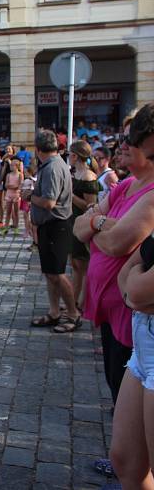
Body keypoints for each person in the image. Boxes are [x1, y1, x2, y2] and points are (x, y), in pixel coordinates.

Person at [106, 104, 154, 489]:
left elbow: (137, 288)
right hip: (144, 342)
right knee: (124, 458)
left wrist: (135, 277)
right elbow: (127, 271)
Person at [27, 130, 79, 333]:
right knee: (50, 273)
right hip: (50, 226)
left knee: (57, 273)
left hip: (57, 225)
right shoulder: (53, 165)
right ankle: (55, 311)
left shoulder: (52, 168)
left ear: (38, 150)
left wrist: (30, 196)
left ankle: (73, 314)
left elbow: (49, 202)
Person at [68, 140, 99, 310]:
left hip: (83, 223)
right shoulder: (75, 173)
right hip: (72, 221)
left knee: (83, 265)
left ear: (75, 156)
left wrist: (70, 195)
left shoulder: (88, 176)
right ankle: (74, 300)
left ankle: (82, 302)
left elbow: (90, 206)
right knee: (75, 264)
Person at [2, 159, 23, 235]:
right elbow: (6, 185)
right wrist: (13, 186)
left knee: (16, 213)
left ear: (17, 166)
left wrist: (12, 186)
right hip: (9, 194)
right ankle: (6, 228)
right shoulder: (8, 175)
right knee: (8, 212)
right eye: (10, 165)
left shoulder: (20, 174)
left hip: (16, 195)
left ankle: (16, 228)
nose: (10, 166)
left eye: (12, 165)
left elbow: (20, 186)